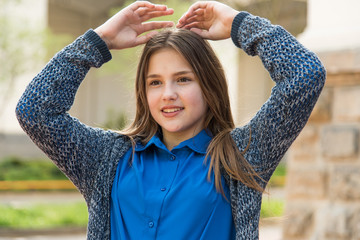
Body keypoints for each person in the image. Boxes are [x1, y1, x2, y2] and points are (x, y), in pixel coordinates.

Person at [16, 1, 326, 239]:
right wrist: (99, 41)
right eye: (155, 82)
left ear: (208, 85)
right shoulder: (107, 158)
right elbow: (35, 110)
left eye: (183, 79)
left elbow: (305, 75)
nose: (168, 94)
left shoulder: (243, 153)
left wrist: (236, 23)